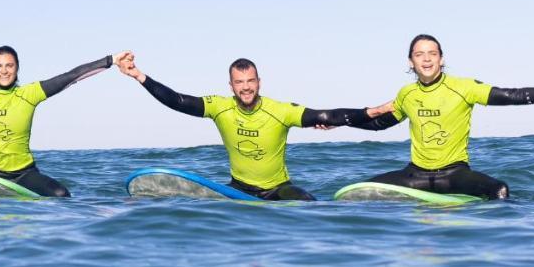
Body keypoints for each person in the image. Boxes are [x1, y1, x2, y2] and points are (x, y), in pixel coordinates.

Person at [344, 34, 534, 199]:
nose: (427, 58)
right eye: (419, 54)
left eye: (432, 53)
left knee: (500, 191)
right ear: (411, 62)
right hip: (415, 174)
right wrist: (339, 122)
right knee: (364, 192)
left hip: (453, 174)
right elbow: (379, 124)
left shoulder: (464, 87)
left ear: (441, 59)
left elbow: (511, 95)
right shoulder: (406, 94)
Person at [0, 0, 129, 197]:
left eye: (9, 66)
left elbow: (71, 77)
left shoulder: (29, 93)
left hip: (23, 174)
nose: (4, 71)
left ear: (17, 69)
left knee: (61, 194)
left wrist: (110, 60)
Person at [116, 55, 385, 200]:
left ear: (259, 82)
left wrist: (370, 112)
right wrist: (139, 76)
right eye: (239, 82)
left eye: (250, 81)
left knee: (305, 201)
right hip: (238, 188)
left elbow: (326, 115)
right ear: (230, 85)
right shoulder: (219, 106)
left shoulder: (279, 110)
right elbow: (177, 101)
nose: (246, 87)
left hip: (277, 189)